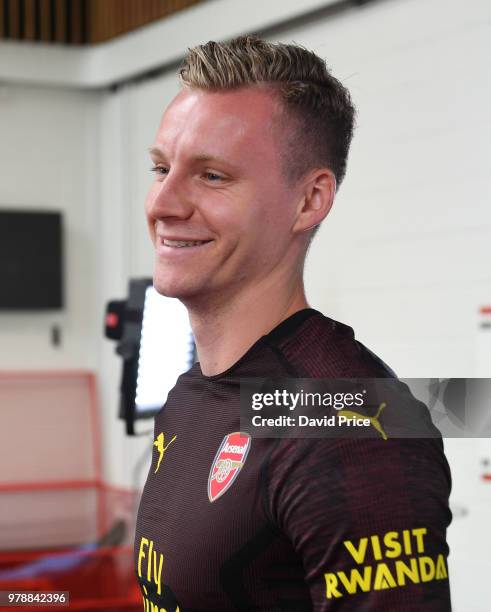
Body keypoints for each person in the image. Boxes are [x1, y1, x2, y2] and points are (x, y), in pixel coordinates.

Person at [134, 36, 452, 611]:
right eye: (161, 167)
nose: (164, 202)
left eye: (212, 176)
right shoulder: (190, 396)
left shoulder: (351, 424)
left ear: (309, 201)